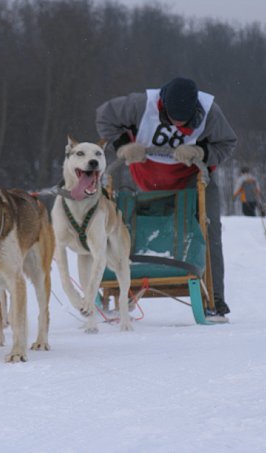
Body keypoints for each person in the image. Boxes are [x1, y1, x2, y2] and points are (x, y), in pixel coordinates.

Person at [95, 76, 237, 316]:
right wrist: (122, 145)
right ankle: (121, 282)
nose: (178, 123)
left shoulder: (211, 113)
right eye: (173, 117)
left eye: (184, 119)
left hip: (193, 177)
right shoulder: (140, 105)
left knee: (209, 227)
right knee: (130, 227)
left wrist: (201, 151)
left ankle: (215, 297)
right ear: (163, 106)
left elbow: (227, 143)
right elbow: (104, 116)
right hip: (148, 176)